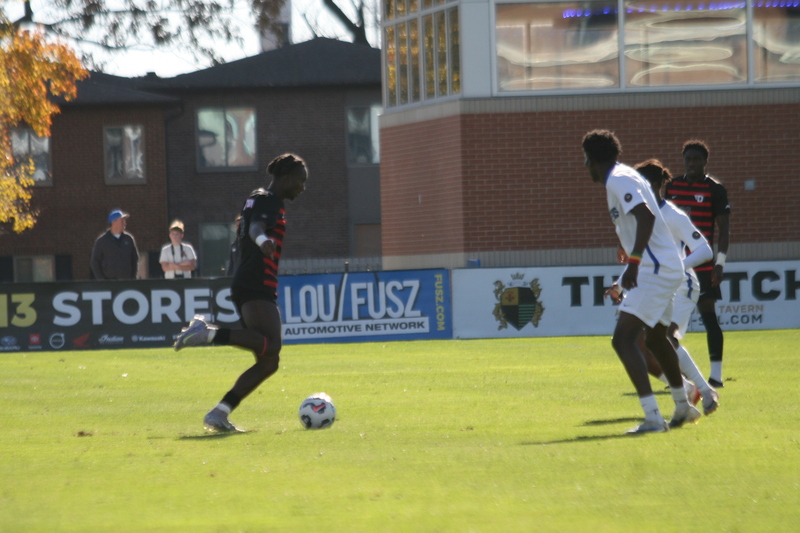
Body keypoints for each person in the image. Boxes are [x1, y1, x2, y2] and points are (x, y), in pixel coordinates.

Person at [173, 154, 309, 433]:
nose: (302, 188)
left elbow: (253, 223)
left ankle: (219, 413)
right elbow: (258, 227)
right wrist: (263, 241)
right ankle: (206, 332)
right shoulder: (268, 200)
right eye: (300, 182)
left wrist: (261, 239)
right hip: (256, 280)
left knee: (269, 361)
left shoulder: (260, 198)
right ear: (286, 179)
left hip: (253, 280)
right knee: (271, 347)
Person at [582, 130, 700, 434]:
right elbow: (642, 222)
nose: (585, 167)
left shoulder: (618, 179)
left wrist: (633, 264)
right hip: (664, 265)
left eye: (586, 160)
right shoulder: (625, 176)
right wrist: (629, 245)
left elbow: (646, 218)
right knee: (655, 340)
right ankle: (684, 407)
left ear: (593, 159)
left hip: (654, 268)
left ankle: (652, 418)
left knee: (622, 340)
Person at [607, 159, 719, 417]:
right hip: (657, 279)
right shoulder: (640, 216)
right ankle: (688, 392)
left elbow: (704, 250)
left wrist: (676, 265)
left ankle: (702, 390)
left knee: (659, 337)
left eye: (642, 182)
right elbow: (646, 259)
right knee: (644, 342)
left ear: (656, 184)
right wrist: (619, 283)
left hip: (682, 283)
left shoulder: (672, 214)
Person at [665, 140, 730, 388]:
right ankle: (677, 376)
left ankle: (716, 376)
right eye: (688, 159)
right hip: (675, 266)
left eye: (696, 160)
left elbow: (724, 230)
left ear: (705, 162)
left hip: (702, 267)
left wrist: (720, 263)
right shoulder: (672, 187)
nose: (691, 163)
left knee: (709, 318)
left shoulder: (715, 190)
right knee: (667, 324)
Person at [90, 209, 139, 280]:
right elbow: (95, 262)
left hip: (126, 282)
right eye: (122, 221)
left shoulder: (129, 239)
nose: (124, 223)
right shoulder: (102, 241)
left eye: (124, 221)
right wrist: (101, 280)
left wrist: (133, 278)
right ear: (113, 222)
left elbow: (134, 259)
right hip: (109, 283)